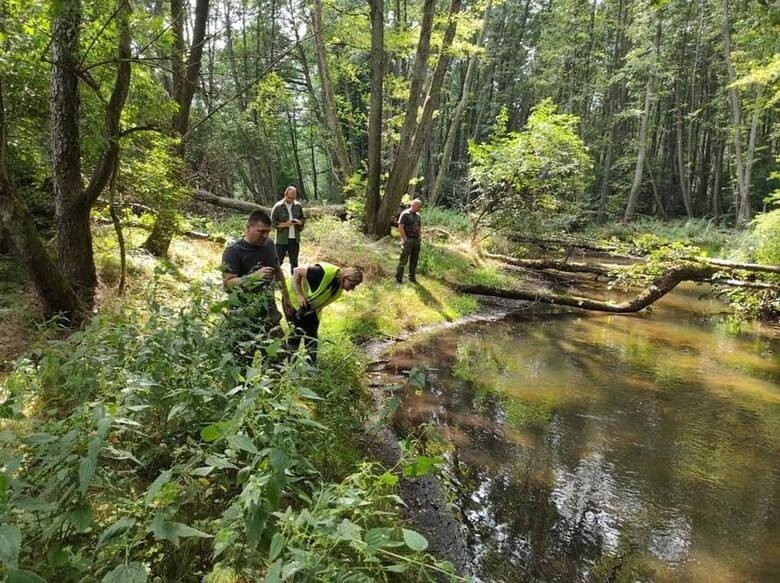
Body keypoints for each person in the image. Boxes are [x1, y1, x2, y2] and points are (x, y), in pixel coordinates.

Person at [221, 210, 293, 361]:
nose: (265, 235)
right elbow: (227, 284)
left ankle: (273, 384)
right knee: (241, 362)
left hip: (269, 314)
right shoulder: (233, 252)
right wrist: (252, 277)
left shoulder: (269, 245)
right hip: (243, 316)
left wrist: (285, 296)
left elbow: (277, 270)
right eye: (261, 231)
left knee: (278, 360)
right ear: (248, 227)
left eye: (268, 231)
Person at [287, 263, 363, 364]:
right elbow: (297, 271)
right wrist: (299, 295)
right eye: (352, 285)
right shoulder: (321, 273)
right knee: (296, 333)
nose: (352, 289)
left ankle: (310, 368)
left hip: (311, 308)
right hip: (294, 301)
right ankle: (290, 366)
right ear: (345, 277)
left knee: (312, 336)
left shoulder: (338, 287)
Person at [271, 185, 306, 274]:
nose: (291, 200)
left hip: (294, 239)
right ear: (285, 194)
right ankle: (274, 281)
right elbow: (272, 222)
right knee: (278, 262)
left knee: (294, 262)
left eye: (293, 198)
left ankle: (294, 283)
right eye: (290, 197)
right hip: (281, 240)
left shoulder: (298, 205)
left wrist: (299, 222)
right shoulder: (278, 206)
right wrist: (286, 224)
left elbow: (303, 219)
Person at [395, 198, 422, 283]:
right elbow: (400, 227)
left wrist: (420, 238)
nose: (418, 208)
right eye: (417, 206)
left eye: (419, 206)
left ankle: (412, 277)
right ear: (412, 205)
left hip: (416, 240)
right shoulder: (405, 214)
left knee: (414, 260)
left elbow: (419, 228)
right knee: (403, 260)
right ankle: (398, 278)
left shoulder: (418, 216)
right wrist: (405, 239)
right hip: (408, 239)